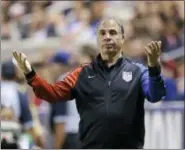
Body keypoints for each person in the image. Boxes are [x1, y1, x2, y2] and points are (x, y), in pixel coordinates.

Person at [12, 17, 166, 149]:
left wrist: (153, 69)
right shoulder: (81, 74)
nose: (107, 37)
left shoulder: (138, 71)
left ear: (122, 38)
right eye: (102, 33)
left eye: (113, 33)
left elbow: (155, 95)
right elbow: (52, 94)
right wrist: (31, 75)